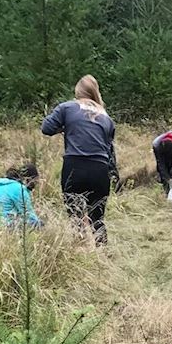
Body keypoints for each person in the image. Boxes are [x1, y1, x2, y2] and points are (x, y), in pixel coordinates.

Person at [41, 75, 117, 246]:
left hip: (75, 167)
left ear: (78, 92)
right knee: (98, 219)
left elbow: (46, 128)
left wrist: (64, 128)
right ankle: (102, 254)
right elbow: (109, 149)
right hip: (100, 170)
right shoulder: (106, 117)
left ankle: (78, 255)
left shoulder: (67, 107)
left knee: (75, 217)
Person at [0, 162, 41, 228]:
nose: (36, 183)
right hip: (0, 226)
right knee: (36, 224)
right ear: (29, 179)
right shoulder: (19, 189)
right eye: (35, 180)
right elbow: (29, 215)